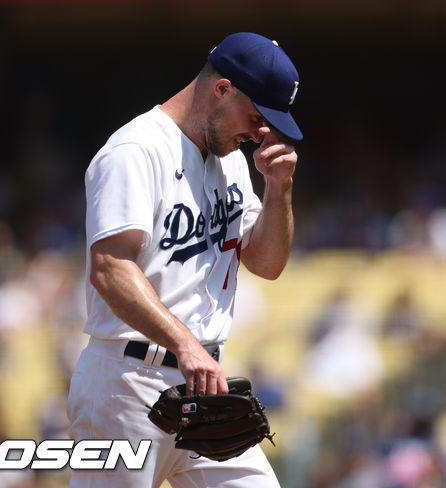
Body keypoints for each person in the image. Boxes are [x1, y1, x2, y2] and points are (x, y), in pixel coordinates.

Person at [67, 32, 302, 487]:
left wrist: (278, 188)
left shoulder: (230, 158)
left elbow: (267, 263)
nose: (259, 133)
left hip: (203, 387)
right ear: (222, 89)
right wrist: (185, 343)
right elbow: (110, 268)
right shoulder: (135, 151)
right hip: (126, 384)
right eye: (255, 116)